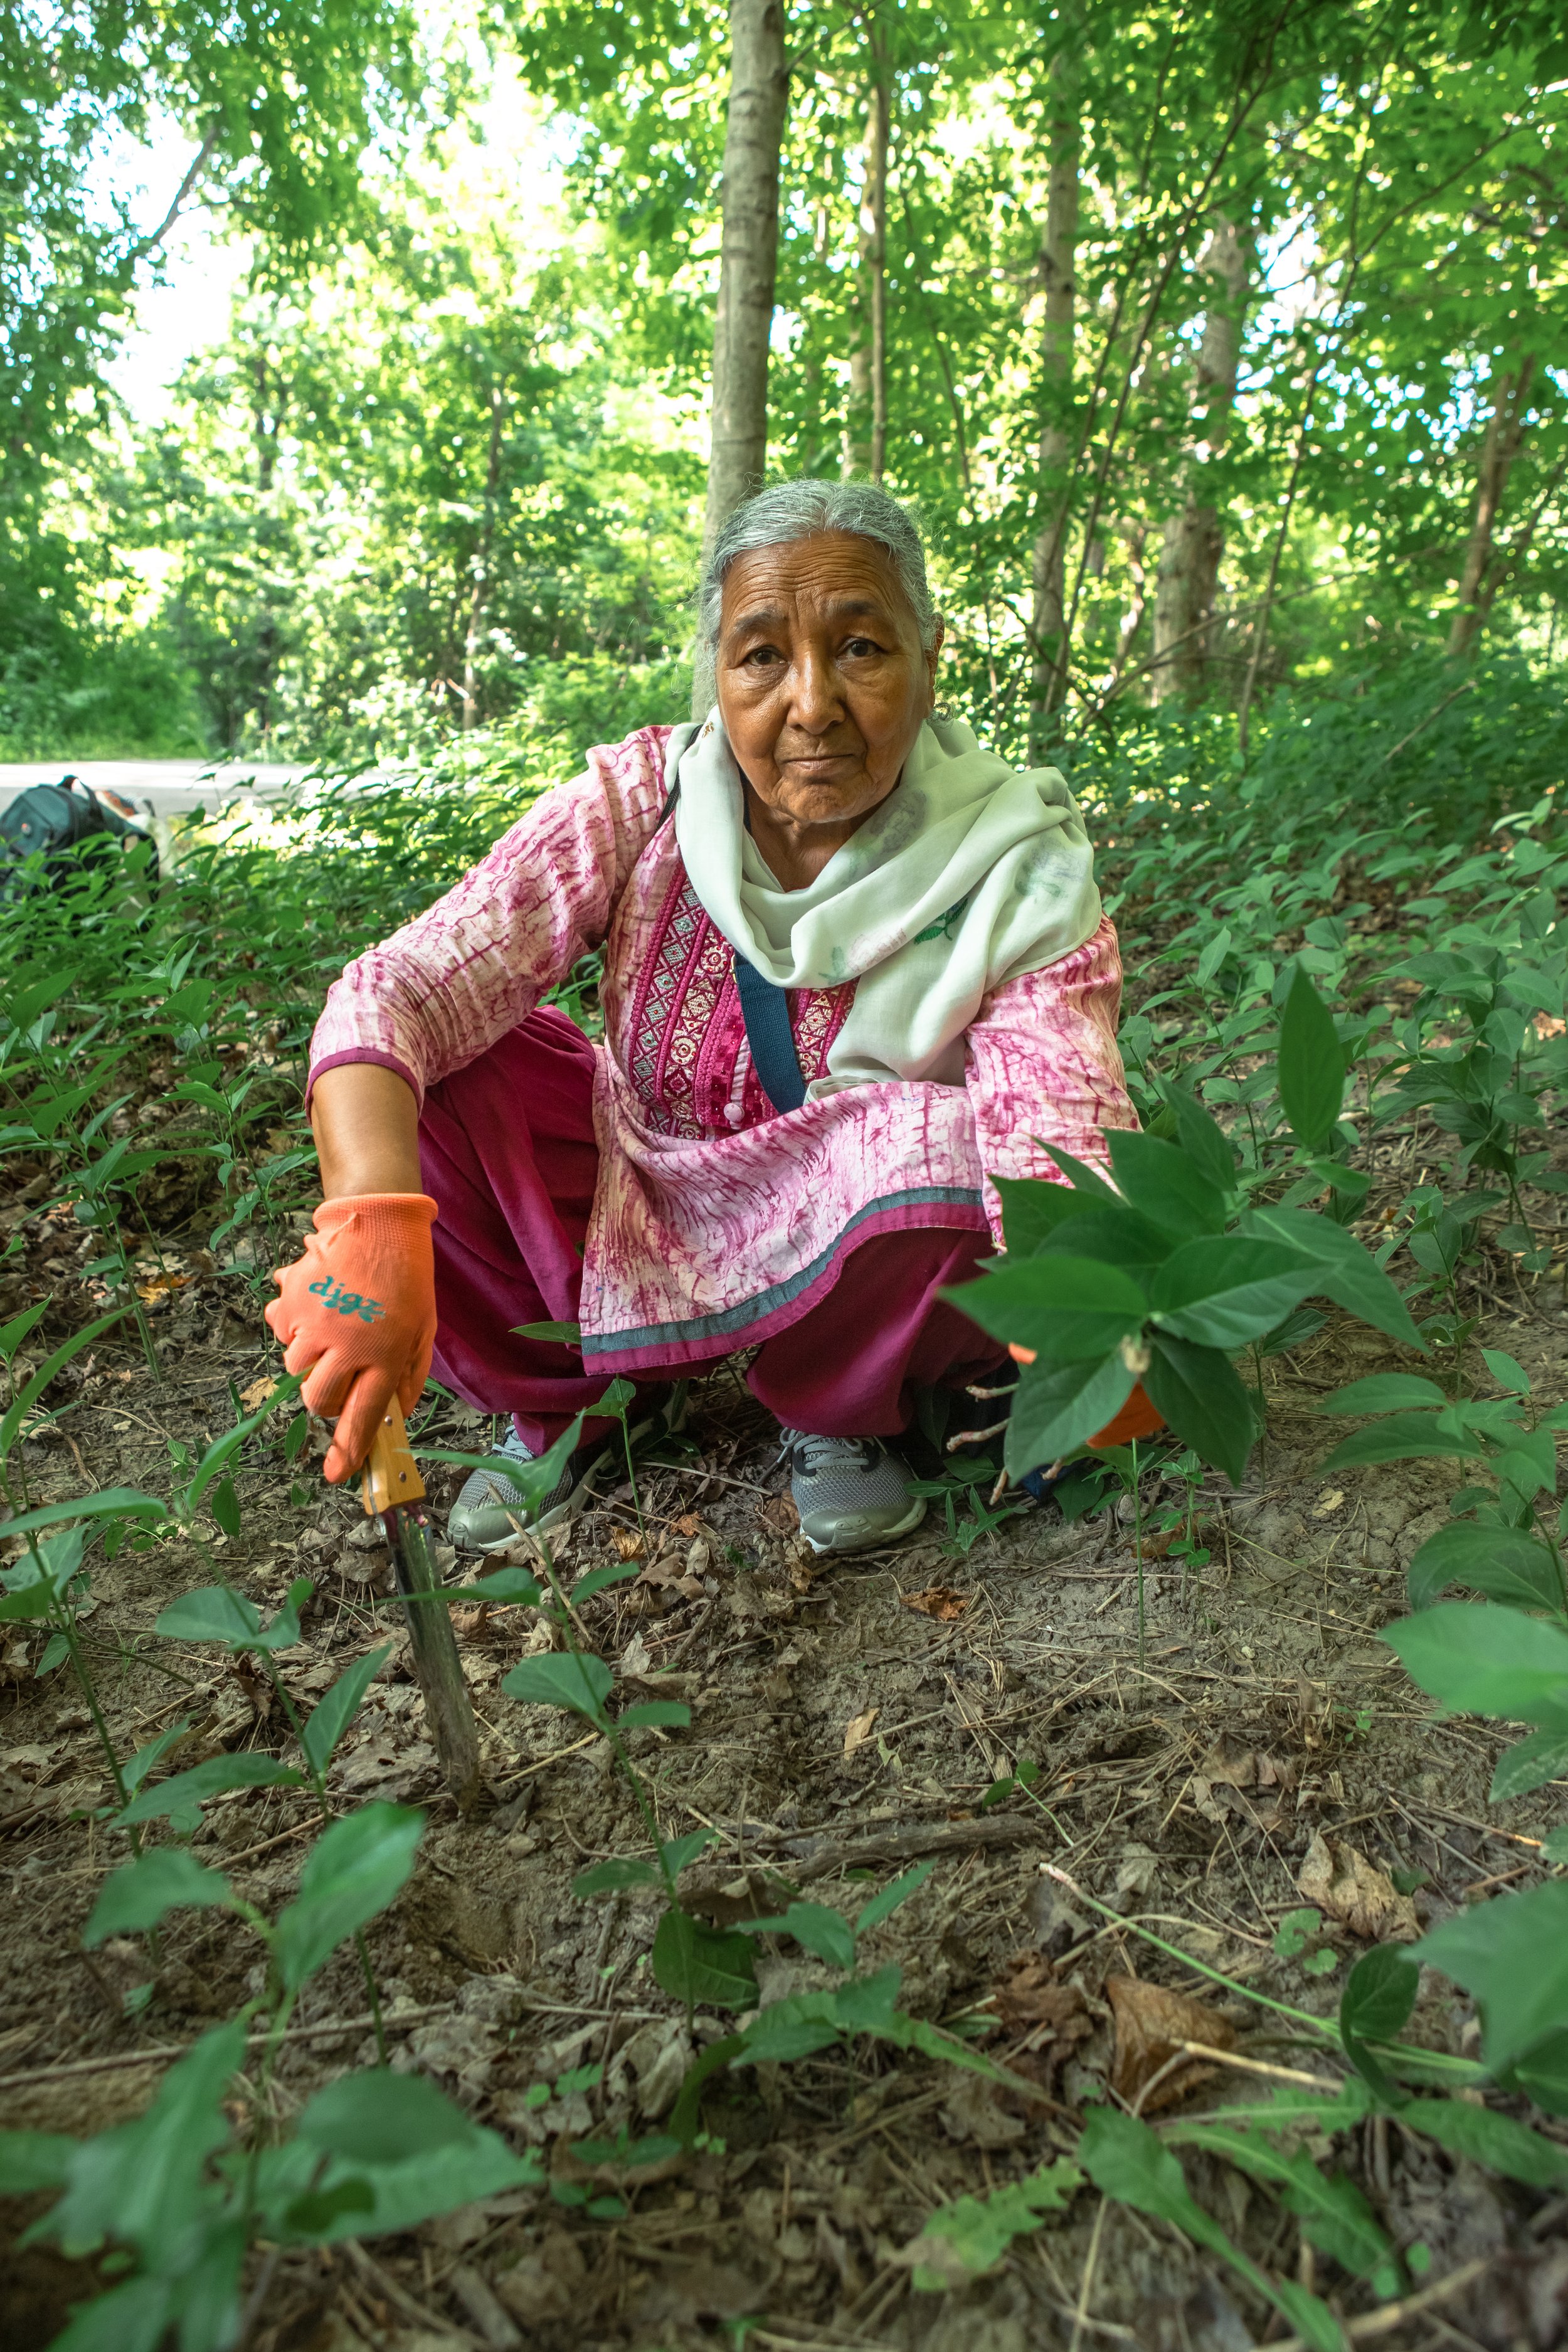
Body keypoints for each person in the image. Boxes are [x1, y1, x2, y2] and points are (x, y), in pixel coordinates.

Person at [266, 479, 1150, 1557]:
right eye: (763, 655)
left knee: (961, 1152)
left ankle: (840, 1409)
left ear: (931, 657)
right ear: (719, 673)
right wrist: (370, 1224)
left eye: (862, 648)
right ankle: (586, 1400)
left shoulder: (1014, 859)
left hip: (862, 1226)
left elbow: (1060, 1125)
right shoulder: (646, 799)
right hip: (643, 1184)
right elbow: (401, 987)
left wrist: (1098, 1334)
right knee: (453, 1076)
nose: (813, 703)